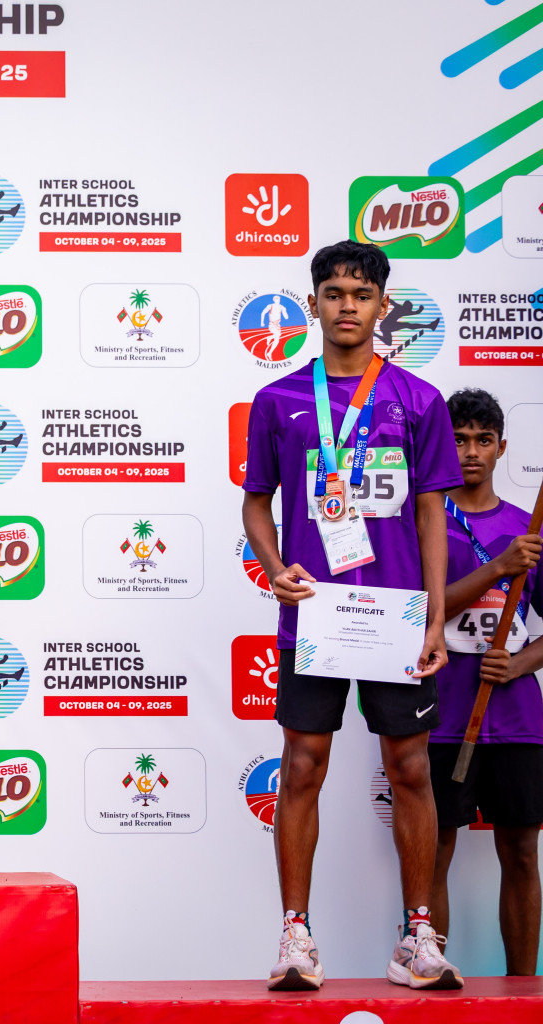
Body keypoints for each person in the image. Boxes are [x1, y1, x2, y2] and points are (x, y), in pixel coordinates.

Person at [241, 240, 463, 990]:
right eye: (333, 292)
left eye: (360, 294)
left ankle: (417, 938)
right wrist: (275, 570)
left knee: (410, 769)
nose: (346, 305)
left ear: (381, 306)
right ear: (313, 304)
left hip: (397, 614)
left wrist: (435, 618)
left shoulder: (419, 401)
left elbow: (432, 514)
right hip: (319, 618)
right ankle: (295, 940)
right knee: (302, 766)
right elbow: (255, 503)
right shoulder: (279, 401)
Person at [429, 389, 543, 976]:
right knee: (434, 852)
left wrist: (521, 663)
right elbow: (420, 613)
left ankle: (525, 991)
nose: (470, 452)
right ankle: (432, 974)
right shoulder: (424, 525)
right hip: (443, 714)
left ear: (502, 448)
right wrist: (499, 568)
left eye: (482, 440)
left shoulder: (529, 531)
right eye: (459, 439)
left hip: (518, 720)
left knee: (522, 853)